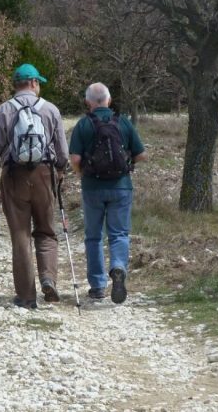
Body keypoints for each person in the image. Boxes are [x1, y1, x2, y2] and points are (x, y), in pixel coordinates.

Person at [0, 63, 69, 309]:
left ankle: (26, 296)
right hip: (44, 175)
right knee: (46, 231)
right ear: (33, 83)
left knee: (20, 236)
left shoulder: (4, 110)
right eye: (39, 82)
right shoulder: (50, 110)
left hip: (14, 177)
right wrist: (60, 170)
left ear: (17, 84)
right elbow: (63, 151)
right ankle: (48, 278)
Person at [68, 83, 146, 304]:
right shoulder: (123, 122)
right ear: (109, 101)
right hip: (121, 187)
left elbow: (74, 159)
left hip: (92, 187)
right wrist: (127, 161)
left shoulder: (83, 125)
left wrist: (81, 173)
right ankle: (118, 267)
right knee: (119, 234)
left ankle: (98, 286)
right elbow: (141, 154)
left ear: (88, 102)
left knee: (93, 237)